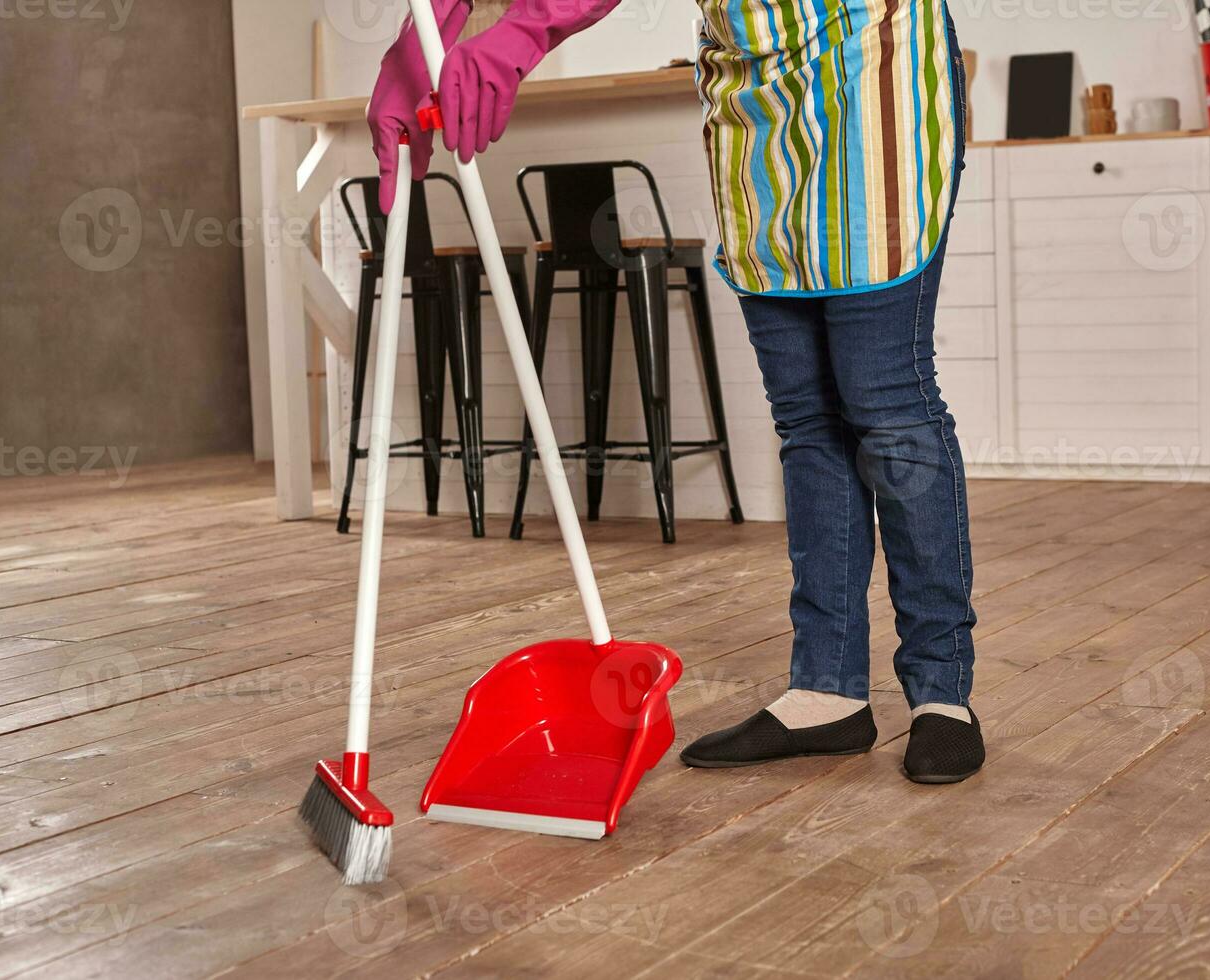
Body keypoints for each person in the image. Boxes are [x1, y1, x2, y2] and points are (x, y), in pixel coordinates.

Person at [371, 0, 984, 783]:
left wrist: (525, 30)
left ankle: (941, 693)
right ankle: (826, 689)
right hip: (757, 105)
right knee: (805, 418)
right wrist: (425, 40)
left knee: (885, 402)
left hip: (875, 76)